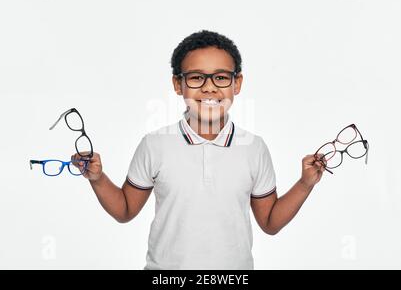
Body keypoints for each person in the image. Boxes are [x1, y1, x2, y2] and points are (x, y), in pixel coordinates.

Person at [72, 30, 325, 270]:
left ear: (237, 83)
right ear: (178, 85)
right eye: (196, 77)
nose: (209, 87)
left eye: (221, 77)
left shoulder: (254, 148)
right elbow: (125, 210)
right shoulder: (155, 145)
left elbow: (270, 222)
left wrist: (305, 183)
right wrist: (97, 178)